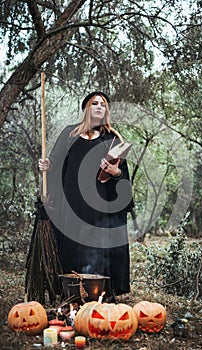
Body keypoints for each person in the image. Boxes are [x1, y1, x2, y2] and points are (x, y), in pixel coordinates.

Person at [38, 91, 134, 299]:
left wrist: (114, 172)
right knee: (72, 248)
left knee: (98, 248)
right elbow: (54, 162)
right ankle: (71, 295)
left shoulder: (112, 139)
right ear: (86, 108)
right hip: (71, 205)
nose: (100, 107)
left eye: (104, 104)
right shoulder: (69, 134)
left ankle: (100, 295)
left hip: (100, 207)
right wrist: (48, 165)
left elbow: (122, 175)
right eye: (95, 103)